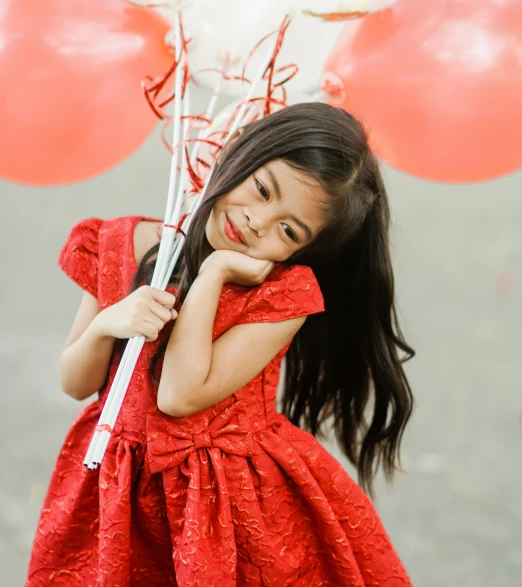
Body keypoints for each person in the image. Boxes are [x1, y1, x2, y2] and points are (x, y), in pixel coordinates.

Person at [27, 102, 415, 587]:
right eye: (262, 190)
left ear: (302, 250)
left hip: (224, 507)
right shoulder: (126, 244)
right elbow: (74, 382)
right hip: (116, 485)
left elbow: (179, 395)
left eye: (288, 230)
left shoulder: (281, 298)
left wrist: (213, 273)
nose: (257, 222)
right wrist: (108, 323)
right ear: (238, 151)